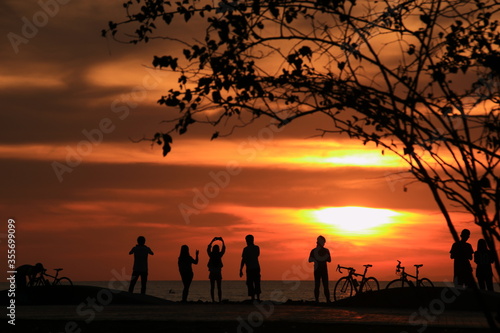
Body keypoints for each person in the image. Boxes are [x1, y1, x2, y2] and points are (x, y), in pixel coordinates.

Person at [308, 235, 332, 303]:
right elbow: (329, 260)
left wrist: (317, 259)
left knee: (318, 285)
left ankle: (318, 300)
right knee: (323, 285)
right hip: (321, 270)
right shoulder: (325, 250)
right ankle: (326, 300)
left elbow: (310, 260)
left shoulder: (314, 251)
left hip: (318, 270)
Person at [239, 234, 261, 301]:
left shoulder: (246, 249)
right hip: (256, 267)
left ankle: (253, 298)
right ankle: (257, 298)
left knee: (250, 283)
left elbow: (243, 259)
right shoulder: (257, 248)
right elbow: (257, 255)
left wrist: (241, 269)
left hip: (250, 268)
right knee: (256, 282)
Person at [207, 237, 226, 302]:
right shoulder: (219, 255)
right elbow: (223, 249)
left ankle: (213, 300)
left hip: (212, 272)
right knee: (219, 287)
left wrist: (212, 241)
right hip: (218, 273)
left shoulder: (211, 255)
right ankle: (219, 300)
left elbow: (208, 249)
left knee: (212, 287)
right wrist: (222, 241)